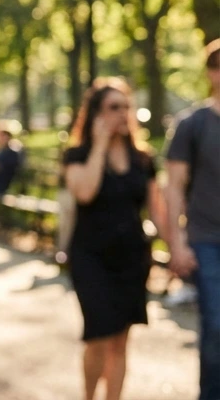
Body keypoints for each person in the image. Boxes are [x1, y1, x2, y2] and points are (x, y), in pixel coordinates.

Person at [63, 79, 167, 400]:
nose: (122, 114)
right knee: (97, 335)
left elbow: (158, 210)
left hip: (132, 259)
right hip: (90, 258)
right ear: (96, 113)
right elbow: (84, 192)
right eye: (113, 107)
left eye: (126, 107)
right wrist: (99, 144)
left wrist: (178, 249)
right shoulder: (76, 155)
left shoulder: (142, 158)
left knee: (120, 340)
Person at [165, 38, 220, 399]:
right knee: (216, 324)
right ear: (212, 73)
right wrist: (177, 243)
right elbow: (173, 187)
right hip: (206, 238)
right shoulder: (193, 124)